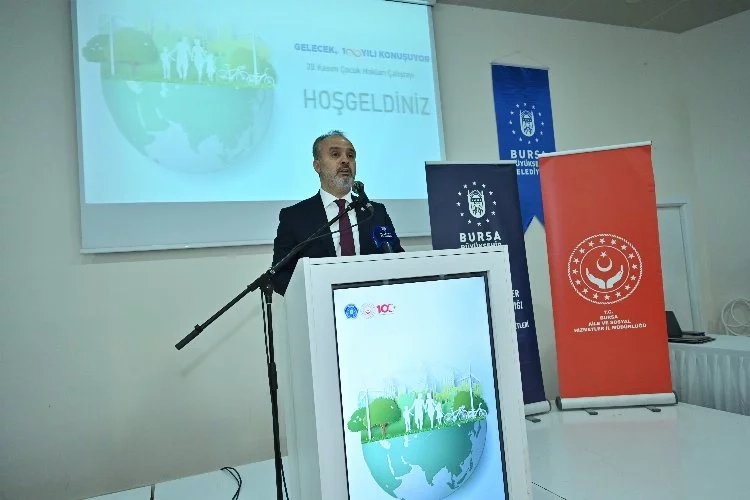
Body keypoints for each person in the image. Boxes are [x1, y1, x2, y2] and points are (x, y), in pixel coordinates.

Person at [270, 130, 404, 295]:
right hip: (321, 305)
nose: (345, 160)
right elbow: (279, 274)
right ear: (317, 166)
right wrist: (312, 297)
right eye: (335, 154)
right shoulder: (294, 217)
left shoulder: (375, 212)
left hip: (373, 303)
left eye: (351, 156)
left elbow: (397, 259)